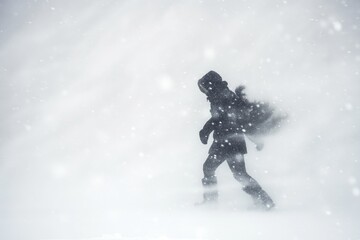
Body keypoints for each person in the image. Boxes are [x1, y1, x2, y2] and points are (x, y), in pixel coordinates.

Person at [197, 70, 275, 210]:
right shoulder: (225, 95)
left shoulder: (220, 97)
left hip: (225, 142)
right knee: (239, 174)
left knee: (209, 168)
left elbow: (219, 119)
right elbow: (240, 121)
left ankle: (210, 201)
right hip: (233, 142)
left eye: (204, 87)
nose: (204, 92)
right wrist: (255, 139)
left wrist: (205, 131)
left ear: (211, 85)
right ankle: (263, 200)